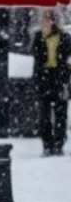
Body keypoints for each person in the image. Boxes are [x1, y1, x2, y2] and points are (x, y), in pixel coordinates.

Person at [32, 10, 71, 156]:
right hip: (44, 79)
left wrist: (65, 80)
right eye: (43, 20)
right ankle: (47, 144)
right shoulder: (38, 38)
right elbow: (36, 59)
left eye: (47, 20)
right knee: (44, 116)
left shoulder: (65, 38)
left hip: (59, 79)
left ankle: (59, 144)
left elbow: (67, 59)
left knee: (61, 114)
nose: (44, 23)